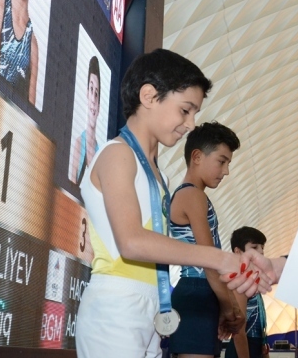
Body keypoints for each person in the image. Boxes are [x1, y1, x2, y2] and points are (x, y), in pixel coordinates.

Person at [75, 49, 267, 358]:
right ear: (149, 96)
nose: (191, 124)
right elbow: (132, 242)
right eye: (185, 110)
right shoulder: (117, 154)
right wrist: (217, 258)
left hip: (152, 309)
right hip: (116, 308)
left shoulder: (159, 176)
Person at [169, 121, 243, 357]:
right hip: (196, 292)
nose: (226, 171)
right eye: (222, 161)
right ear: (197, 156)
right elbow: (210, 261)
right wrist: (229, 307)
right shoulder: (192, 194)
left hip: (202, 292)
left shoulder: (195, 195)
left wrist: (225, 302)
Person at [225, 227, 270, 358]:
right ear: (238, 252)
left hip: (255, 348)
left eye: (262, 247)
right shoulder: (239, 283)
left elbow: (259, 324)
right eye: (255, 247)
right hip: (241, 352)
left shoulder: (251, 281)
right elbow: (238, 333)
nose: (261, 252)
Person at [69, 56, 101, 186]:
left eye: (97, 93)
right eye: (91, 90)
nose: (93, 99)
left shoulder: (101, 154)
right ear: (87, 94)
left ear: (99, 105)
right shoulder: (79, 144)